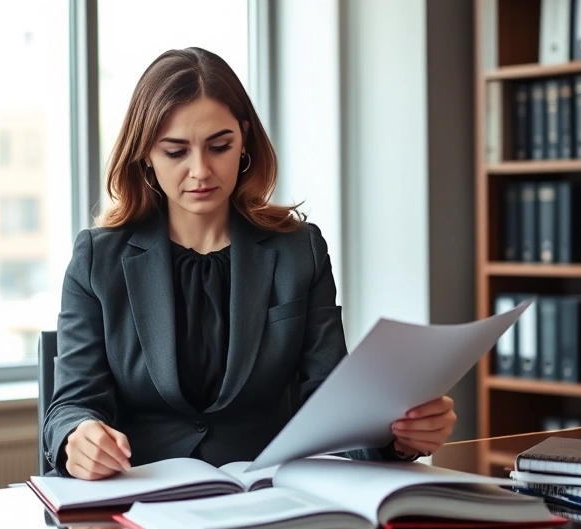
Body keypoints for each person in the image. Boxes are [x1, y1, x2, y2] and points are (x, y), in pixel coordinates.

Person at [42, 47, 456, 481]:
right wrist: (78, 435)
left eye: (219, 146)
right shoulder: (98, 259)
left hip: (267, 498)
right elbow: (72, 403)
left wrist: (398, 437)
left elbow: (330, 404)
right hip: (139, 502)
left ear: (243, 141)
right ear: (146, 153)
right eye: (175, 152)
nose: (200, 171)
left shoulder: (299, 250)